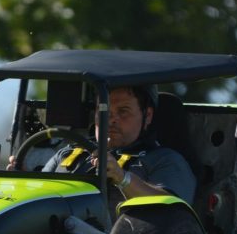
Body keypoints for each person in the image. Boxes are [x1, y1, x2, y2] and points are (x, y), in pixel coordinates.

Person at [35, 85, 196, 207]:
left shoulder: (165, 160)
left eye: (123, 111)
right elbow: (37, 196)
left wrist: (122, 178)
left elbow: (172, 210)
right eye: (104, 111)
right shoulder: (68, 153)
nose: (111, 120)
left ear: (147, 115)